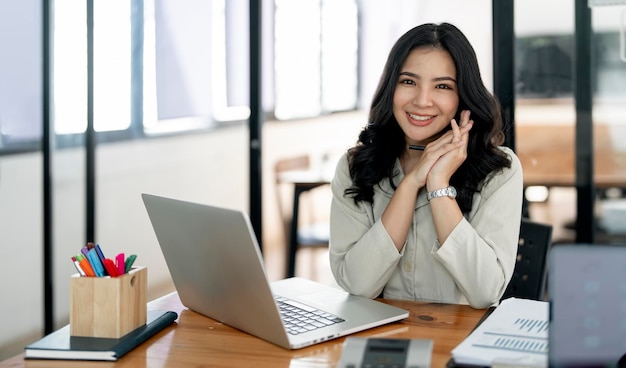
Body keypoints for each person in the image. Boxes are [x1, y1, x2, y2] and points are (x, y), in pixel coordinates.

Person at [329, 22, 523, 309]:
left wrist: (438, 184)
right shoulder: (355, 167)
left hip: (457, 343)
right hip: (379, 343)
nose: (422, 101)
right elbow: (358, 285)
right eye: (408, 81)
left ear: (463, 97)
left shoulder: (500, 170)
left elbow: (485, 292)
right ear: (390, 87)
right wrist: (409, 185)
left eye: (443, 86)